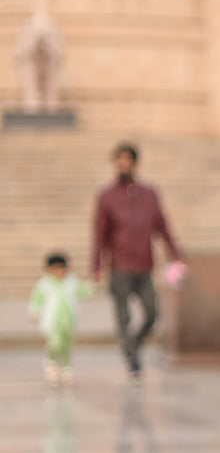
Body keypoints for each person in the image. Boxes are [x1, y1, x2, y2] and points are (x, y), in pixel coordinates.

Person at [91, 142, 185, 380]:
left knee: (152, 313)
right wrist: (97, 266)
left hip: (144, 265)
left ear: (134, 162)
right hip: (120, 267)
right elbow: (99, 234)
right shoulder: (107, 196)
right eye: (119, 160)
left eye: (128, 159)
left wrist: (176, 254)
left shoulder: (149, 194)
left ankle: (132, 343)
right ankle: (132, 361)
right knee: (124, 317)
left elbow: (162, 226)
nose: (123, 164)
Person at [28, 252, 94, 386]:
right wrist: (35, 311)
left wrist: (93, 285)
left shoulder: (71, 282)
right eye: (55, 269)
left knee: (67, 345)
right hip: (53, 321)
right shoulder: (45, 284)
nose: (59, 272)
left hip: (69, 320)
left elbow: (85, 291)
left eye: (61, 268)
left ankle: (66, 368)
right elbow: (36, 299)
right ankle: (51, 363)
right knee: (55, 342)